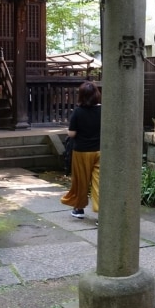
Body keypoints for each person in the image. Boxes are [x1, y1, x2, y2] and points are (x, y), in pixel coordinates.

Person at [60, 81, 101, 219]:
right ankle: (101, 214)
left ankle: (79, 209)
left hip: (81, 151)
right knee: (98, 182)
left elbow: (72, 134)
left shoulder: (78, 112)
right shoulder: (103, 110)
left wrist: (68, 130)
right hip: (99, 151)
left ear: (81, 96)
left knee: (81, 181)